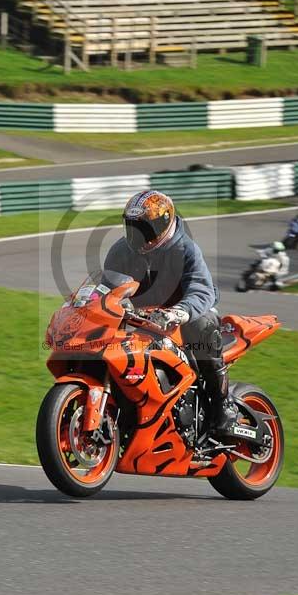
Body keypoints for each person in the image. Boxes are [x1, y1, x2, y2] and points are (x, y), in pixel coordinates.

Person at [103, 189, 239, 442]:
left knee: (203, 324)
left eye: (146, 228)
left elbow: (201, 289)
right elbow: (106, 287)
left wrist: (180, 312)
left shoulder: (186, 249)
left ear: (164, 222)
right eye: (134, 227)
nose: (139, 235)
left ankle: (223, 406)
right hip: (143, 319)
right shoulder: (121, 250)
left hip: (184, 317)